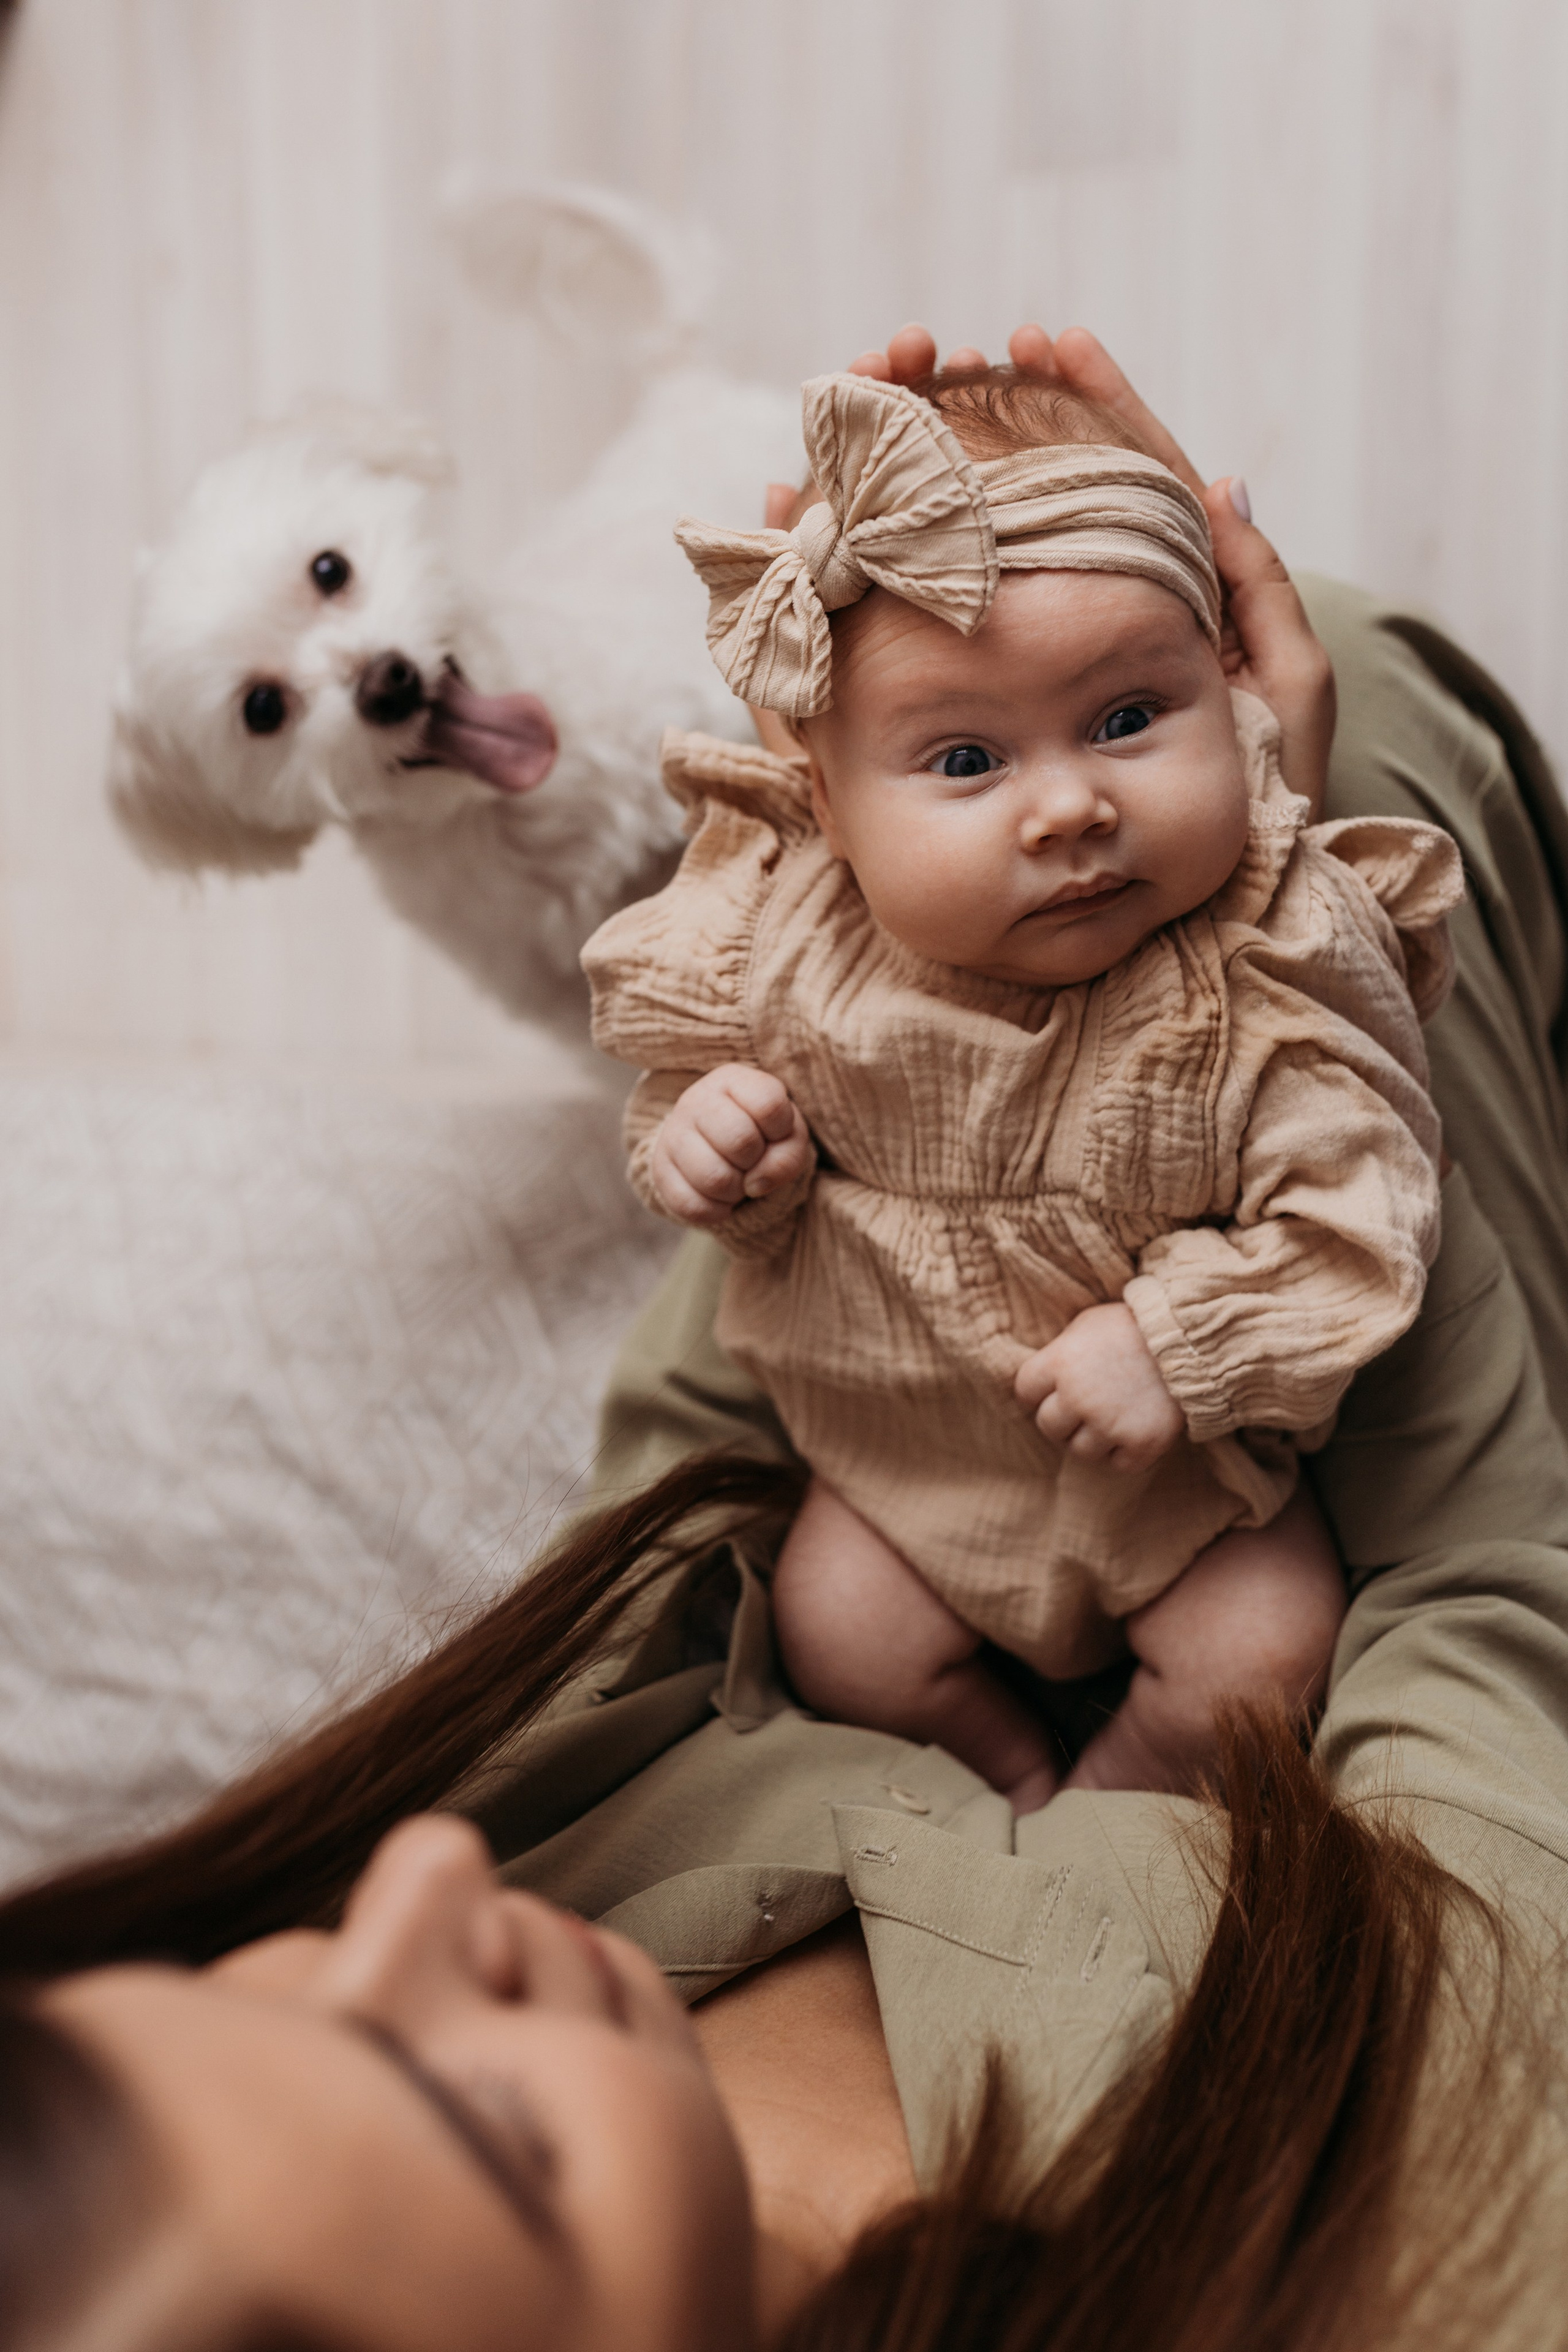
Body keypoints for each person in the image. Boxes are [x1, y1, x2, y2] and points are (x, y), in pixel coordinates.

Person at [2, 323, 1568, 2352]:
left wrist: (850, 884)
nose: (415, 1898)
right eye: (485, 2131)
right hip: (1176, 1475)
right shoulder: (1399, 2235)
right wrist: (1259, 845)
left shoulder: (527, 1844)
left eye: (259, 1974)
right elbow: (1458, 1530)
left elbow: (706, 1446)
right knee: (1207, 1628)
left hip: (968, 1399)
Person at [582, 358, 1463, 1806]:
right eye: (967, 758)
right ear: (825, 809)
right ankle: (1006, 1784)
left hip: (1174, 1488)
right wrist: (709, 1152)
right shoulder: (785, 934)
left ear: (1226, 702)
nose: (1068, 807)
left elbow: (1361, 1212)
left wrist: (1177, 1347)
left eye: (1127, 718)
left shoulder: (1256, 961)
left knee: (1265, 1649)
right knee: (841, 1633)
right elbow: (693, 1127)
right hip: (902, 1467)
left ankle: (1115, 1798)